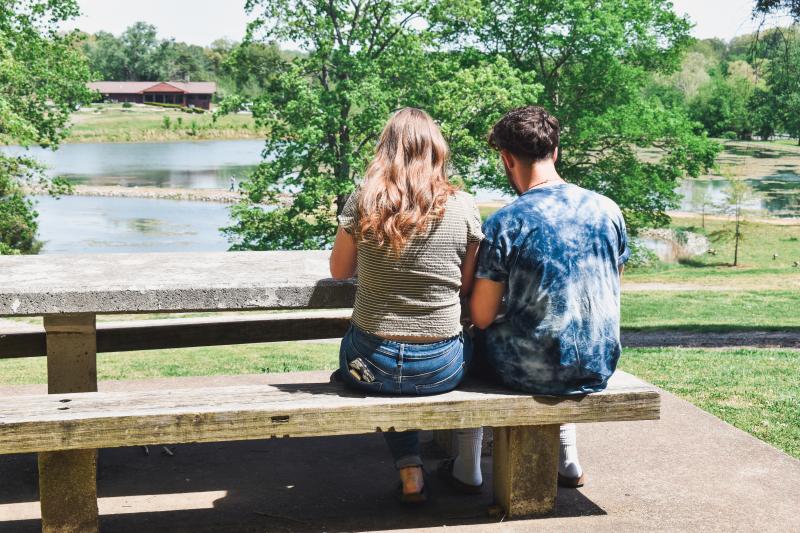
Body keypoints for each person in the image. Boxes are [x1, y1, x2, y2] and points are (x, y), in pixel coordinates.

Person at [439, 106, 630, 492]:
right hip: (597, 364)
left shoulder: (506, 223)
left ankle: (466, 465)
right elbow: (607, 286)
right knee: (558, 330)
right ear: (555, 152)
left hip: (529, 370)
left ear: (507, 158)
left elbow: (482, 314)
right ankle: (568, 458)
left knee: (467, 342)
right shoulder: (608, 209)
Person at [329, 107, 484, 503]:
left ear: (386, 150)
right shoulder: (464, 206)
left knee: (381, 374)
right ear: (437, 150)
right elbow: (463, 286)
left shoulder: (364, 201)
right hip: (442, 368)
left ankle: (410, 468)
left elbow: (339, 271)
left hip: (369, 362)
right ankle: (458, 462)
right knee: (433, 364)